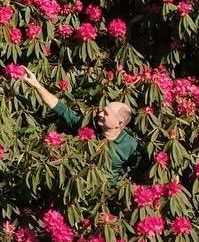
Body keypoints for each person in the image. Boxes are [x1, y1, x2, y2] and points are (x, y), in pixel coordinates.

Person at [17, 68, 145, 181]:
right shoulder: (88, 126)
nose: (100, 113)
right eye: (103, 110)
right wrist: (37, 85)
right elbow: (59, 107)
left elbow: (137, 171)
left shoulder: (130, 145)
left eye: (106, 114)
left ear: (119, 123)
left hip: (106, 194)